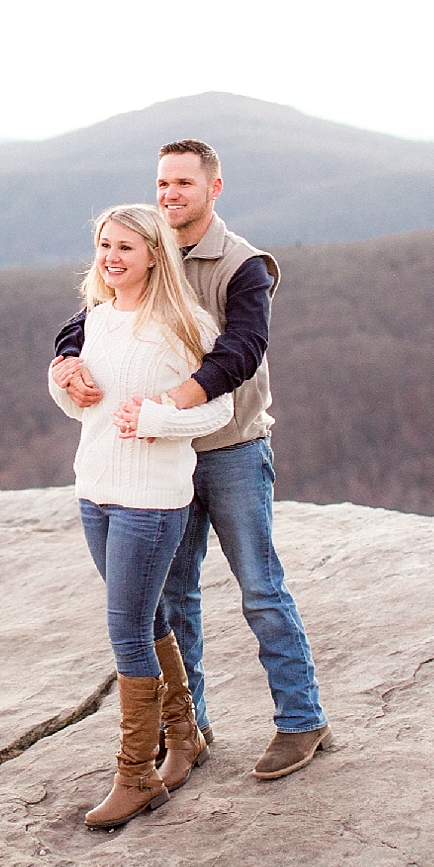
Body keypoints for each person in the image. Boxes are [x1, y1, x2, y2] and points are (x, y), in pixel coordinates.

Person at [50, 139, 331, 782]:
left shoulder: (242, 264)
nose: (170, 193)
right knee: (173, 598)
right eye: (162, 183)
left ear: (213, 188)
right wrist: (67, 361)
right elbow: (88, 317)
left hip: (229, 447)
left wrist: (175, 400)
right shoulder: (144, 247)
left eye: (183, 182)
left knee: (259, 588)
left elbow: (243, 349)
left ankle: (301, 721)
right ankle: (191, 730)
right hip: (160, 464)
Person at [48, 203, 233, 829]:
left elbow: (219, 410)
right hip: (94, 488)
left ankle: (136, 775)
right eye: (104, 245)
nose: (112, 257)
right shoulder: (96, 321)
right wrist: (66, 382)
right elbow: (86, 412)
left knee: (126, 629)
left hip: (150, 499)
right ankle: (185, 739)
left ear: (155, 253)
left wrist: (160, 420)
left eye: (126, 247)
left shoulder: (184, 324)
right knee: (148, 617)